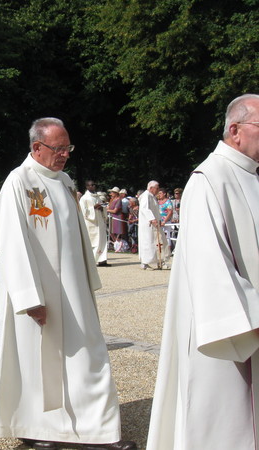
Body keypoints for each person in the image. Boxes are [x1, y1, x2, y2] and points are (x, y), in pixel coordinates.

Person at [0, 117, 135, 450]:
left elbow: (77, 235)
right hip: (39, 293)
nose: (65, 154)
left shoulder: (64, 180)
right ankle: (36, 428)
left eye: (68, 147)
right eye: (59, 148)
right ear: (36, 148)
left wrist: (87, 278)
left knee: (88, 355)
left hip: (74, 290)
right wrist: (29, 297)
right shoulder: (18, 182)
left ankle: (98, 429)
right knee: (37, 361)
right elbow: (10, 243)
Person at [147, 94, 259, 449]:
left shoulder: (251, 176)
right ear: (235, 129)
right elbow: (209, 263)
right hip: (230, 329)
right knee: (223, 418)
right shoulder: (209, 178)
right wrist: (252, 318)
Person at [138, 181, 170, 270]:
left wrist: (159, 219)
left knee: (159, 242)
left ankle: (161, 261)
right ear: (151, 188)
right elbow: (145, 209)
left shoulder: (152, 197)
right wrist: (152, 219)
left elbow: (156, 210)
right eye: (157, 188)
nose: (158, 190)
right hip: (148, 224)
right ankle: (145, 262)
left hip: (154, 224)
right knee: (148, 242)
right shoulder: (146, 196)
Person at [80, 180, 109, 266]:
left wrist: (102, 208)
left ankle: (102, 260)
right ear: (87, 186)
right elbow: (82, 211)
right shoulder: (84, 198)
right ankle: (93, 261)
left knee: (102, 240)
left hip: (99, 222)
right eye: (91, 185)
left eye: (94, 184)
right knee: (93, 241)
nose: (93, 186)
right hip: (91, 223)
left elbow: (103, 207)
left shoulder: (98, 197)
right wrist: (93, 207)